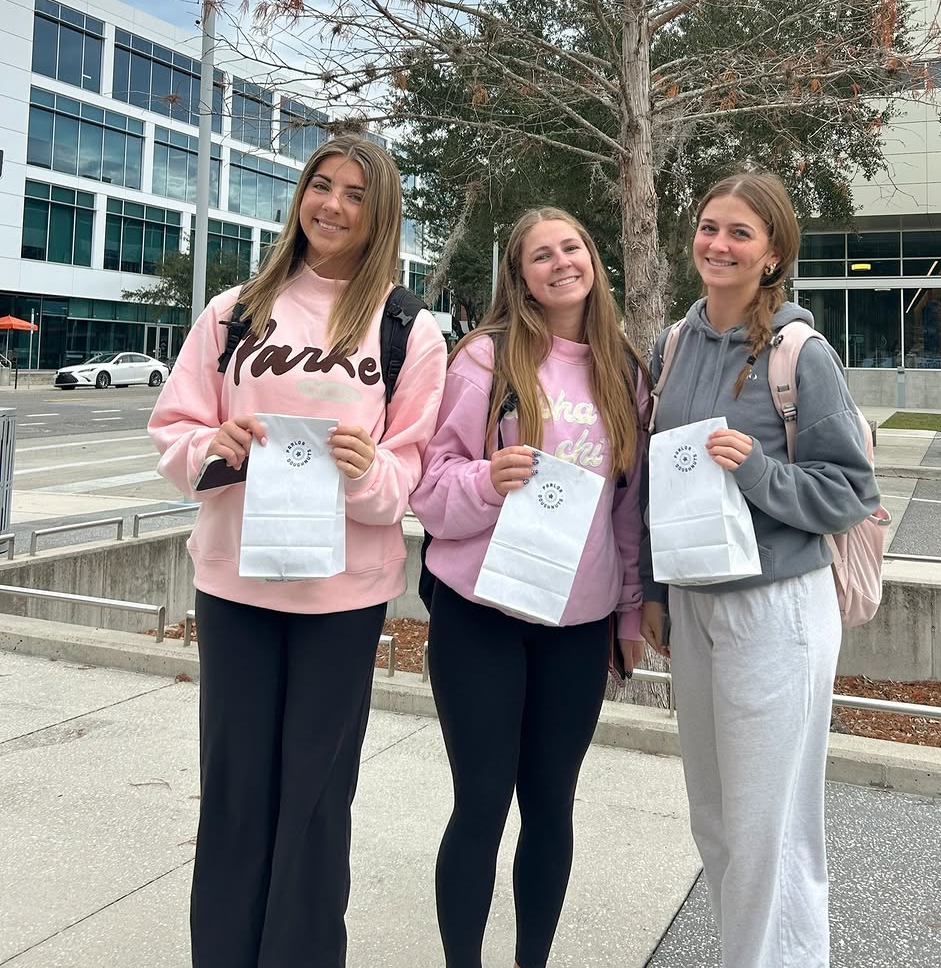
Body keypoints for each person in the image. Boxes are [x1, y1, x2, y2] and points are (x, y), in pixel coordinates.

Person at [148, 133, 447, 968]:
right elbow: (173, 432)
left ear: (378, 210)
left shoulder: (406, 328)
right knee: (237, 797)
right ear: (300, 194)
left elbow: (413, 471)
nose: (334, 206)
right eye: (323, 185)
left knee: (315, 803)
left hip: (340, 598)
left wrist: (367, 469)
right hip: (237, 585)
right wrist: (222, 442)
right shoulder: (235, 310)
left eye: (356, 193)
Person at [640, 173, 879, 968]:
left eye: (740, 233)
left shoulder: (799, 354)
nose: (719, 244)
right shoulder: (672, 346)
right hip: (695, 602)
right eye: (710, 227)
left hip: (776, 608)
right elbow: (653, 479)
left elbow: (851, 490)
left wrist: (760, 476)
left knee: (765, 824)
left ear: (773, 252)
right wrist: (652, 594)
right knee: (715, 818)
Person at [411, 207, 649, 968]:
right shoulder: (485, 358)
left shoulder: (625, 369)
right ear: (520, 276)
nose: (559, 263)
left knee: (551, 808)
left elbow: (627, 509)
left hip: (576, 625)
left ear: (592, 259)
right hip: (481, 613)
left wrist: (630, 612)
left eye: (571, 247)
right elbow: (430, 487)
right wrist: (487, 479)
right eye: (540, 255)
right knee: (480, 805)